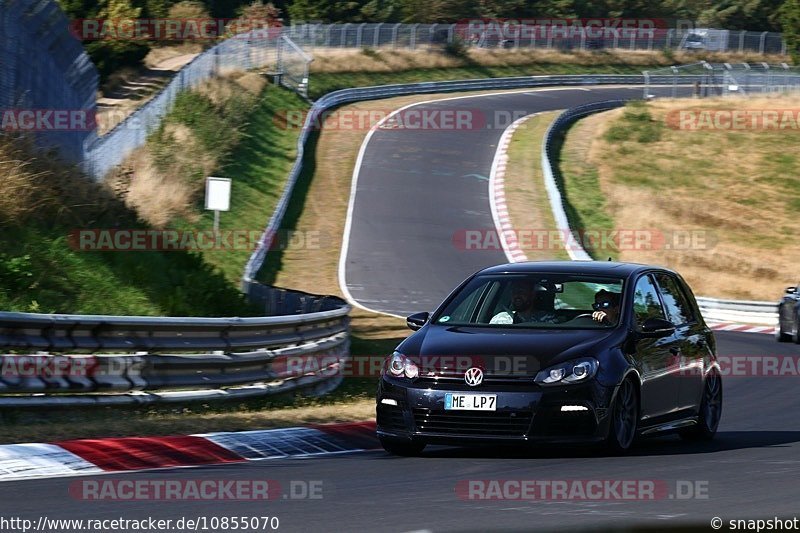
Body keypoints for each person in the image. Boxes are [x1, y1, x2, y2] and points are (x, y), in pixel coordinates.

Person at [490, 280, 557, 324]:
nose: (517, 295)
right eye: (514, 291)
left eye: (522, 291)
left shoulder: (546, 318)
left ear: (532, 295)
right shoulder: (500, 318)